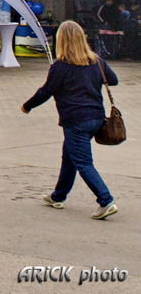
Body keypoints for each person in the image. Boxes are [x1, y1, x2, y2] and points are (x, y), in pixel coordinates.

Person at [22, 20, 118, 220]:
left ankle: (106, 200)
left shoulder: (61, 66)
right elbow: (114, 80)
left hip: (76, 120)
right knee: (69, 158)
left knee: (83, 162)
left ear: (61, 41)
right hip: (97, 118)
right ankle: (58, 196)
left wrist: (28, 105)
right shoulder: (96, 61)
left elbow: (46, 91)